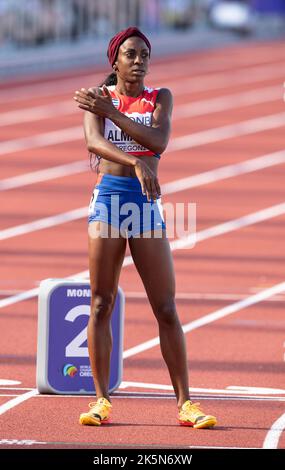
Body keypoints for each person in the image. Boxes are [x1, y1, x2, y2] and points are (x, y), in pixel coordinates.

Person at [73, 26, 217, 429]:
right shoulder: (97, 98)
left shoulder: (160, 98)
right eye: (131, 55)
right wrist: (135, 161)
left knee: (166, 307)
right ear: (114, 61)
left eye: (145, 56)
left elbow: (159, 140)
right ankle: (101, 399)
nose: (139, 62)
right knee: (101, 303)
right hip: (109, 200)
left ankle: (186, 403)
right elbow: (93, 144)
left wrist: (116, 117)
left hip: (144, 207)